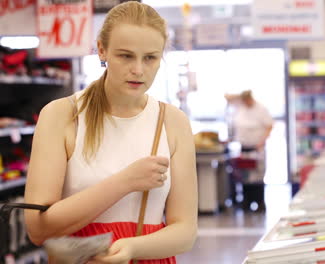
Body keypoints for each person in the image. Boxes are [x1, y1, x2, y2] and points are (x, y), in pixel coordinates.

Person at [23, 2, 197, 263]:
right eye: (126, 56)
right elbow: (38, 228)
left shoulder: (172, 122)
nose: (138, 69)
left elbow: (185, 231)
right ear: (102, 50)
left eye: (150, 57)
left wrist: (132, 248)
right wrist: (125, 181)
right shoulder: (62, 115)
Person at [224, 90, 273, 210]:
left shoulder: (261, 109)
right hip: (244, 147)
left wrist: (261, 142)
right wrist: (240, 96)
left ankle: (259, 203)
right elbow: (227, 97)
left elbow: (269, 126)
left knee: (257, 177)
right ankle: (247, 202)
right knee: (245, 177)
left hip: (257, 148)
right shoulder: (240, 107)